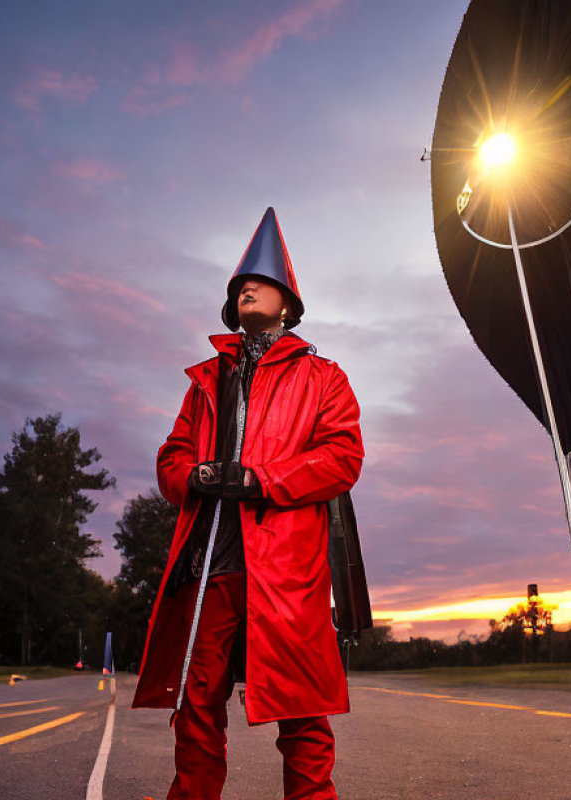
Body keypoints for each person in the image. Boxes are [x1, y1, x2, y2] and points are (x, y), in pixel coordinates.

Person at [132, 207, 364, 800]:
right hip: (211, 566)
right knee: (195, 704)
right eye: (238, 286)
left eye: (256, 283)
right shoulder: (206, 379)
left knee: (304, 713)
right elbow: (170, 460)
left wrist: (259, 479)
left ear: (287, 302)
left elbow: (343, 458)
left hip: (287, 573)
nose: (244, 290)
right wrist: (198, 474)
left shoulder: (322, 377)